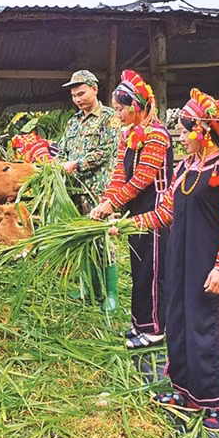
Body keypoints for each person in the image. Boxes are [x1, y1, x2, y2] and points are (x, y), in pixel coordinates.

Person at [125, 88, 219, 431]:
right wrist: (126, 225)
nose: (180, 138)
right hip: (181, 262)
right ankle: (186, 392)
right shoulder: (185, 167)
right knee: (180, 322)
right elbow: (165, 212)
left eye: (184, 132)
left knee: (211, 328)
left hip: (211, 266)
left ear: (204, 131)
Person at [90, 70, 173, 349]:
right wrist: (106, 201)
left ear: (136, 105)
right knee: (139, 267)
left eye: (120, 109)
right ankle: (141, 323)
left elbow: (142, 178)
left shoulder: (157, 135)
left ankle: (156, 329)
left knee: (153, 268)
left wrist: (113, 203)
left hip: (157, 209)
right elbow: (120, 174)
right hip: (136, 208)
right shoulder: (127, 135)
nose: (118, 114)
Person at [59, 69, 121, 310]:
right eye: (74, 96)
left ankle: (111, 294)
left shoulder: (109, 118)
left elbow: (106, 150)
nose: (77, 99)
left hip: (97, 190)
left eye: (81, 93)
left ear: (95, 89)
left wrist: (76, 164)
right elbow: (62, 150)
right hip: (74, 190)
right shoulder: (73, 122)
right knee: (82, 239)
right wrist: (56, 166)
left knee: (102, 240)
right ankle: (89, 289)